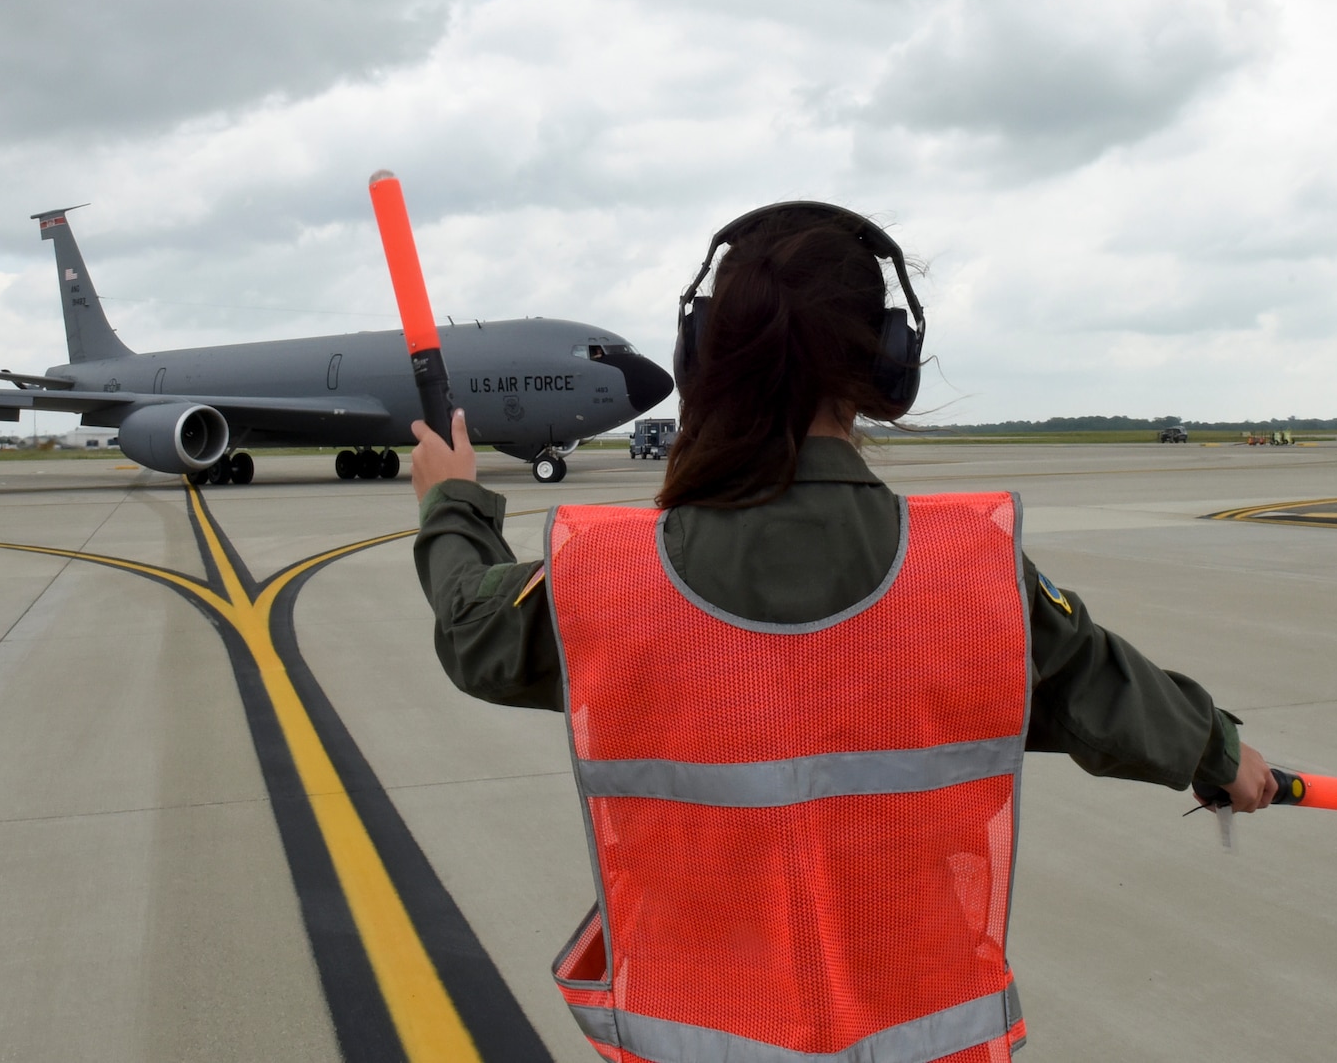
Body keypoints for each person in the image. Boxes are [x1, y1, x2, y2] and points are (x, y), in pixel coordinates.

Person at [410, 201, 1274, 1061]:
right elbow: (1102, 688)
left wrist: (451, 500)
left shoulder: (605, 579)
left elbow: (470, 629)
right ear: (889, 369)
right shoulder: (972, 570)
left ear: (702, 356)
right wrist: (1221, 756)